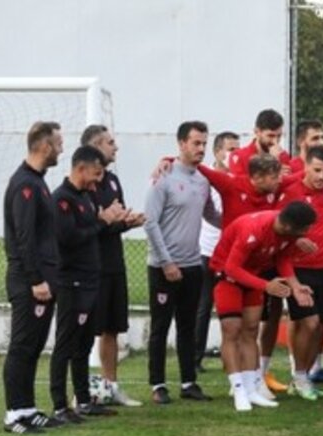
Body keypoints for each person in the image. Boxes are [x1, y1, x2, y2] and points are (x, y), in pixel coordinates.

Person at [209, 204, 316, 411]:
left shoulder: (287, 232)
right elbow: (231, 267)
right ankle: (238, 390)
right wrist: (266, 286)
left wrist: (295, 286)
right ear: (288, 227)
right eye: (304, 229)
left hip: (252, 277)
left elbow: (283, 258)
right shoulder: (254, 230)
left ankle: (252, 390)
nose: (307, 232)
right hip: (227, 277)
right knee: (231, 330)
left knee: (251, 330)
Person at [143, 121, 219, 404]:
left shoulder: (202, 180)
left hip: (192, 265)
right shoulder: (163, 177)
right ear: (181, 144)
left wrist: (239, 223)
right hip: (164, 267)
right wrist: (166, 262)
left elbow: (211, 214)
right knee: (160, 327)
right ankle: (158, 384)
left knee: (187, 326)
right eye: (196, 143)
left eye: (204, 143)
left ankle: (189, 382)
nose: (201, 148)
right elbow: (150, 222)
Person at [50, 145, 125, 422]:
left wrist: (116, 221)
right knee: (65, 344)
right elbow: (69, 238)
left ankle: (83, 400)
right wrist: (102, 222)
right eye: (95, 174)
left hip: (91, 280)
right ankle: (60, 406)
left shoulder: (86, 197)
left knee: (83, 345)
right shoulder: (62, 199)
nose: (97, 181)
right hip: (72, 282)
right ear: (81, 169)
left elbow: (92, 232)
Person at [2, 122, 65, 434]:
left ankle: (27, 408)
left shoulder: (38, 182)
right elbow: (24, 238)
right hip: (29, 281)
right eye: (58, 144)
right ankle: (14, 413)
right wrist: (36, 279)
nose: (61, 150)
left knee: (34, 345)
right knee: (22, 345)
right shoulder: (24, 184)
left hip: (43, 280)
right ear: (44, 146)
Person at [227, 109, 294, 394]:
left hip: (272, 244)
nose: (275, 141)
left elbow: (297, 178)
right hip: (245, 245)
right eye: (270, 135)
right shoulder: (240, 158)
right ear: (256, 132)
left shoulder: (283, 157)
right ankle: (242, 378)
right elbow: (244, 187)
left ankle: (261, 373)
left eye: (279, 136)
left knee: (273, 309)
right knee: (242, 320)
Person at [83, 125, 146, 407]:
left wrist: (127, 222)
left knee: (113, 328)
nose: (115, 147)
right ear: (95, 146)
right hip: (90, 267)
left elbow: (114, 220)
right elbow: (87, 227)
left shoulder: (112, 180)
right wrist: (107, 220)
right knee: (86, 330)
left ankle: (110, 387)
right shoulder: (82, 185)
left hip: (114, 264)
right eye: (110, 143)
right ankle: (81, 390)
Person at [277, 146, 323, 401]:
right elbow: (277, 225)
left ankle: (303, 377)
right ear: (306, 168)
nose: (322, 176)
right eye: (317, 170)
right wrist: (296, 239)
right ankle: (299, 376)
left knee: (320, 326)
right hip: (297, 269)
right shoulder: (291, 192)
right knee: (309, 323)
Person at [194, 131, 238, 374]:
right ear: (217, 151)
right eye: (230, 150)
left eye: (237, 150)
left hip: (232, 254)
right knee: (203, 306)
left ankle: (229, 357)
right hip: (208, 250)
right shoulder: (205, 178)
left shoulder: (238, 177)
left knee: (231, 308)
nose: (234, 155)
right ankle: (195, 358)